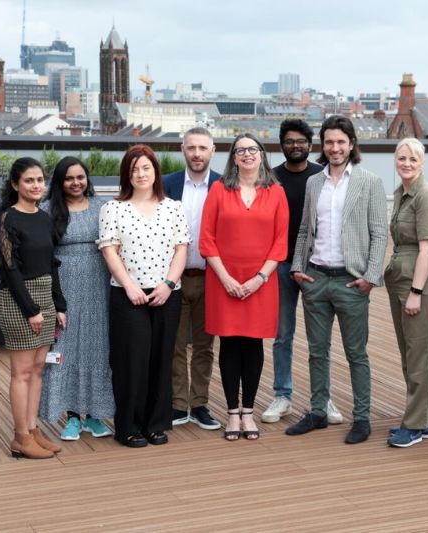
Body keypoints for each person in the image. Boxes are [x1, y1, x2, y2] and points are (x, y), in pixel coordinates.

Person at [286, 116, 388, 445]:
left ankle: (362, 417)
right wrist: (297, 269)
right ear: (323, 146)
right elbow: (305, 229)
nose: (334, 148)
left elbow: (379, 233)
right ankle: (317, 410)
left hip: (351, 281)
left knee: (356, 353)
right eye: (329, 142)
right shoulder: (315, 182)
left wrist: (370, 277)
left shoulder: (369, 182)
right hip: (315, 277)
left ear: (352, 144)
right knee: (317, 352)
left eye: (340, 142)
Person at [97, 145, 190, 448]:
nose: (140, 174)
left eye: (146, 168)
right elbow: (109, 249)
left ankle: (155, 423)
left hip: (166, 293)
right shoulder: (113, 208)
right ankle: (128, 426)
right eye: (134, 169)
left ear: (155, 172)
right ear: (127, 174)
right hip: (128, 294)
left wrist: (168, 283)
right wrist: (129, 286)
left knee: (161, 358)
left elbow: (181, 248)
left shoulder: (173, 207)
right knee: (131, 360)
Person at [199, 133, 289, 441]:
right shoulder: (218, 190)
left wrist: (258, 278)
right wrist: (225, 278)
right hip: (223, 280)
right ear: (233, 158)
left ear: (262, 155)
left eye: (252, 149)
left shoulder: (276, 192)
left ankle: (248, 412)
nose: (247, 154)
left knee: (252, 345)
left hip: (261, 282)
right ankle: (231, 413)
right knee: (229, 345)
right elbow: (207, 239)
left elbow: (280, 243)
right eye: (240, 151)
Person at [262, 119, 343, 425]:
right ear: (281, 145)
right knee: (283, 334)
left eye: (301, 141)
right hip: (280, 264)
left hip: (316, 265)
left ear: (311, 145)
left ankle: (323, 398)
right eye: (289, 141)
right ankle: (282, 395)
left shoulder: (321, 177)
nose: (295, 146)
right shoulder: (271, 178)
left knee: (319, 338)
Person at [0, 157, 67, 459]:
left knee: (38, 370)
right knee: (22, 372)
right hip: (18, 300)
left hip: (45, 299)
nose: (36, 185)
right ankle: (20, 437)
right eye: (29, 181)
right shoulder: (7, 219)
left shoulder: (43, 217)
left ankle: (34, 429)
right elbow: (9, 270)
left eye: (40, 180)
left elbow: (51, 265)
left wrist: (58, 305)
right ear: (15, 185)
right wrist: (31, 310)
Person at [39, 157, 115, 441]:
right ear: (60, 181)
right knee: (66, 349)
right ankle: (71, 416)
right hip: (64, 286)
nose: (76, 183)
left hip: (99, 284)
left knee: (98, 347)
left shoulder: (102, 207)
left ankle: (95, 415)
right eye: (69, 178)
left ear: (87, 179)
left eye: (80, 177)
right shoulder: (48, 210)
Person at [384, 138, 428, 448]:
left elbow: (427, 248)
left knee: (419, 353)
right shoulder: (401, 193)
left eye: (412, 159)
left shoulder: (426, 196)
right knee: (410, 353)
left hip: (418, 281)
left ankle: (416, 425)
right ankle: (425, 418)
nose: (406, 163)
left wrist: (416, 292)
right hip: (400, 277)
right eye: (402, 157)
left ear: (422, 163)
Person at [162, 127, 222, 430]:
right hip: (174, 278)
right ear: (182, 150)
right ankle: (177, 405)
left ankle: (199, 404)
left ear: (212, 150)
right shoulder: (167, 185)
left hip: (211, 278)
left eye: (203, 148)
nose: (197, 153)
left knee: (204, 345)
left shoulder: (226, 185)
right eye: (191, 148)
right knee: (173, 344)